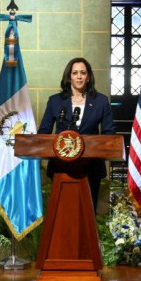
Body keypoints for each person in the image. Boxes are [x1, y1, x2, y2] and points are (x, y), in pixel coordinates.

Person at [38, 57, 116, 206]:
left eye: (83, 73)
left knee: (88, 212)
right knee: (61, 211)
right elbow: (44, 132)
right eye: (75, 73)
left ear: (88, 77)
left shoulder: (100, 101)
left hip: (91, 168)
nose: (79, 76)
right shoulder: (55, 101)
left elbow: (109, 134)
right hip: (61, 167)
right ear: (69, 77)